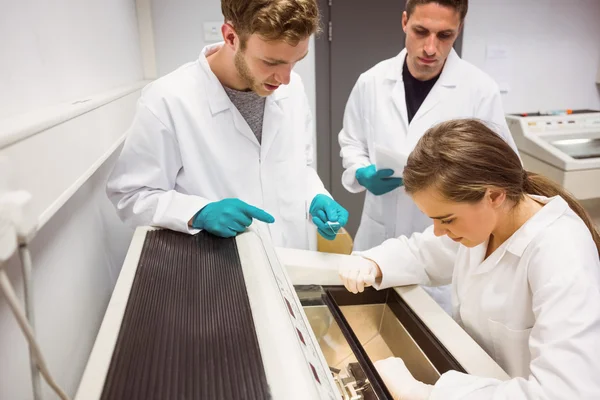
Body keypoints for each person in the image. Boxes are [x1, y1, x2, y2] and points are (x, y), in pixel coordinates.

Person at [339, 119, 600, 399]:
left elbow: (565, 393)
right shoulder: (488, 223)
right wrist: (374, 262)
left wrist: (423, 395)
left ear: (495, 195)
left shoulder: (561, 253)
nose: (438, 231)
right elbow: (422, 253)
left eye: (447, 219)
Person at [107, 0, 348, 249]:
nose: (285, 78)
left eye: (296, 61)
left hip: (292, 263)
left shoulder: (293, 89)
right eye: (271, 63)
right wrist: (198, 212)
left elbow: (300, 165)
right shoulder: (167, 99)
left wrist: (315, 195)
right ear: (231, 37)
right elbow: (130, 194)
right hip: (218, 270)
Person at [338, 0, 518, 311]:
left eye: (445, 35)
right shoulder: (372, 81)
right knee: (366, 316)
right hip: (379, 230)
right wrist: (361, 171)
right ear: (405, 21)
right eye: (421, 31)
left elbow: (503, 171)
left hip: (447, 244)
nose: (431, 48)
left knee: (432, 335)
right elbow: (352, 142)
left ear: (458, 30)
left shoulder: (479, 90)